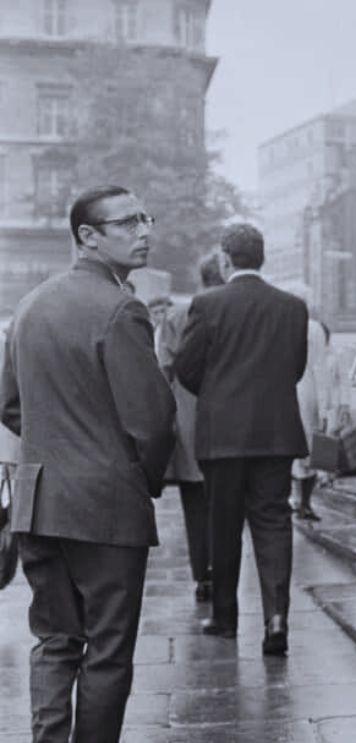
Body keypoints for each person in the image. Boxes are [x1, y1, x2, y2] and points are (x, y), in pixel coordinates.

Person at [0, 185, 176, 742]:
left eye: (144, 219)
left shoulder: (29, 306)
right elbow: (150, 420)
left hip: (40, 501)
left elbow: (7, 403)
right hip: (104, 507)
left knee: (54, 641)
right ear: (88, 237)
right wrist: (137, 477)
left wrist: (55, 448)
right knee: (107, 649)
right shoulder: (123, 308)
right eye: (126, 223)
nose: (144, 231)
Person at [173, 224, 308, 656]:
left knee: (224, 525)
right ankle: (276, 619)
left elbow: (187, 367)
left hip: (223, 435)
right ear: (261, 258)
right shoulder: (292, 307)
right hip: (276, 433)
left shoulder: (208, 304)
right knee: (273, 522)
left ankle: (226, 618)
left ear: (226, 259)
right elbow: (296, 367)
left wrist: (217, 397)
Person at [157, 253, 224, 603]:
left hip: (187, 421)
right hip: (229, 424)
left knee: (195, 506)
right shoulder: (233, 309)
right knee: (228, 505)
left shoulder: (176, 316)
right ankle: (225, 573)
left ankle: (204, 576)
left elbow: (164, 369)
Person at [291, 295, 329, 521]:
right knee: (311, 449)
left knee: (294, 452)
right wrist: (325, 408)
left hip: (287, 390)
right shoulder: (314, 329)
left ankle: (297, 501)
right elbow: (319, 367)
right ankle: (304, 502)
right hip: (308, 391)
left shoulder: (281, 324)